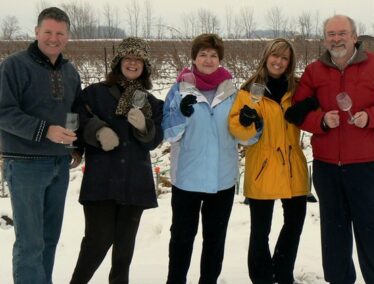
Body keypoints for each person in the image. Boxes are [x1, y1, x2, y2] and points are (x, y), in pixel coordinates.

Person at [288, 15, 374, 284]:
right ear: (324, 38)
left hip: (366, 165)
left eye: (342, 33)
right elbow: (297, 112)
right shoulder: (315, 71)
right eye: (331, 34)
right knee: (334, 235)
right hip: (327, 167)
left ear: (354, 36)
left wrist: (371, 116)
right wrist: (322, 120)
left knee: (371, 231)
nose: (336, 38)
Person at [70, 37, 164, 283]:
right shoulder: (95, 93)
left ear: (145, 66)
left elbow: (156, 140)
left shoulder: (150, 102)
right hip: (102, 181)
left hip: (135, 184)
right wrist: (97, 130)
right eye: (128, 58)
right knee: (96, 244)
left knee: (123, 253)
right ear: (118, 62)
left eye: (138, 60)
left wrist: (146, 127)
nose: (133, 63)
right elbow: (75, 118)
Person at [0, 7, 81, 284]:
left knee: (48, 239)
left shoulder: (70, 72)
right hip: (25, 163)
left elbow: (73, 112)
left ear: (68, 36)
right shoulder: (14, 66)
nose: (53, 38)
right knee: (30, 242)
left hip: (59, 163)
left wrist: (74, 145)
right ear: (36, 32)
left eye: (60, 33)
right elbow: (3, 112)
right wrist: (45, 130)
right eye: (48, 32)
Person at [228, 38, 312, 284]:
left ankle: (283, 271)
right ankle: (262, 277)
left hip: (292, 165)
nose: (279, 61)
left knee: (295, 221)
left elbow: (313, 107)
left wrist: (309, 103)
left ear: (290, 62)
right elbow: (238, 132)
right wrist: (245, 123)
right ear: (266, 57)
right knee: (260, 230)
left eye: (285, 58)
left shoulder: (296, 89)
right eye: (275, 56)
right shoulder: (249, 89)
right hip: (262, 167)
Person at [162, 33, 238, 284]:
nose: (208, 59)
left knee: (215, 240)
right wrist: (181, 114)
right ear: (194, 58)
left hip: (222, 179)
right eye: (203, 54)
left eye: (213, 55)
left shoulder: (231, 91)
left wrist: (253, 124)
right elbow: (170, 134)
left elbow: (246, 136)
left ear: (220, 60)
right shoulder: (179, 89)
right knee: (182, 239)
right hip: (187, 179)